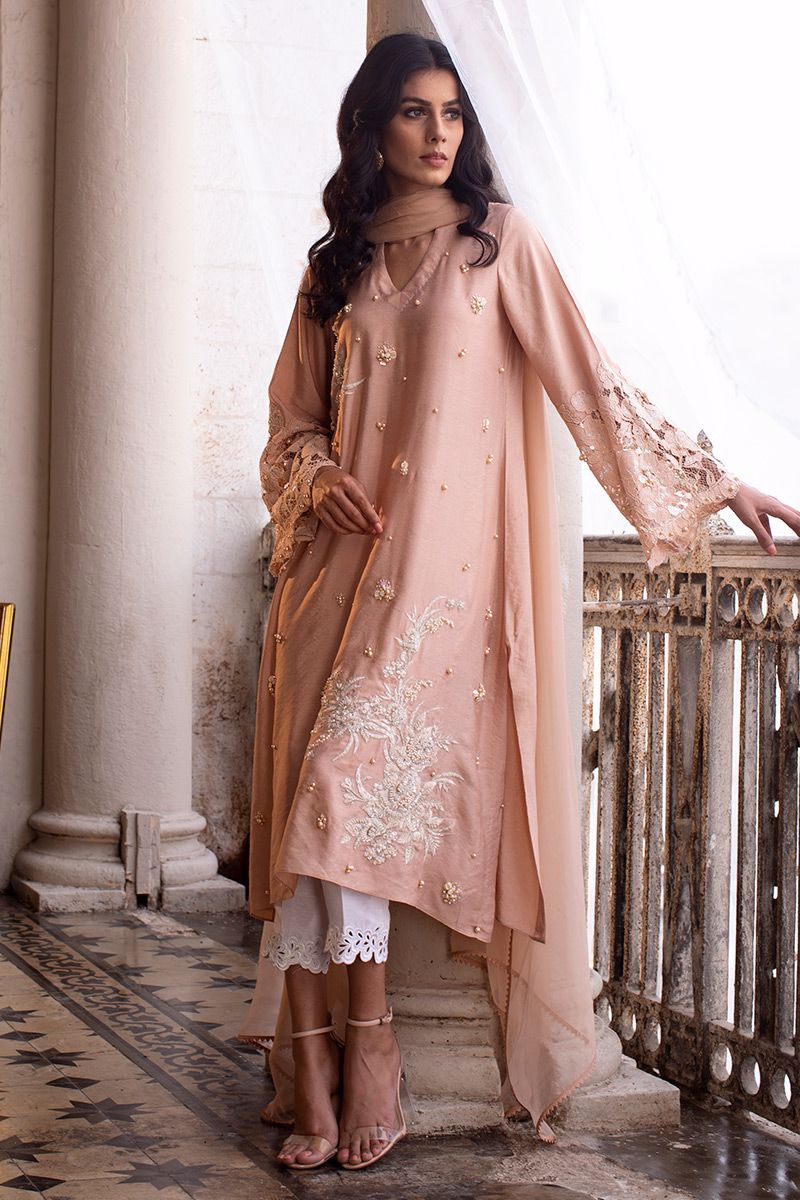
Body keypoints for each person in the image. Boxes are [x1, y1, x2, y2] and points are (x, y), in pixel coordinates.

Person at [236, 31, 800, 1173]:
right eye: (413, 111)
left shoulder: (500, 245)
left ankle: (370, 1049)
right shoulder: (333, 266)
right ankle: (318, 1074)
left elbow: (591, 383)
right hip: (329, 577)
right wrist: (314, 473)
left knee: (340, 800)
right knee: (312, 818)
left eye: (451, 112)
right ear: (372, 128)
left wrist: (713, 482)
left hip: (434, 594)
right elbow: (288, 422)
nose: (438, 132)